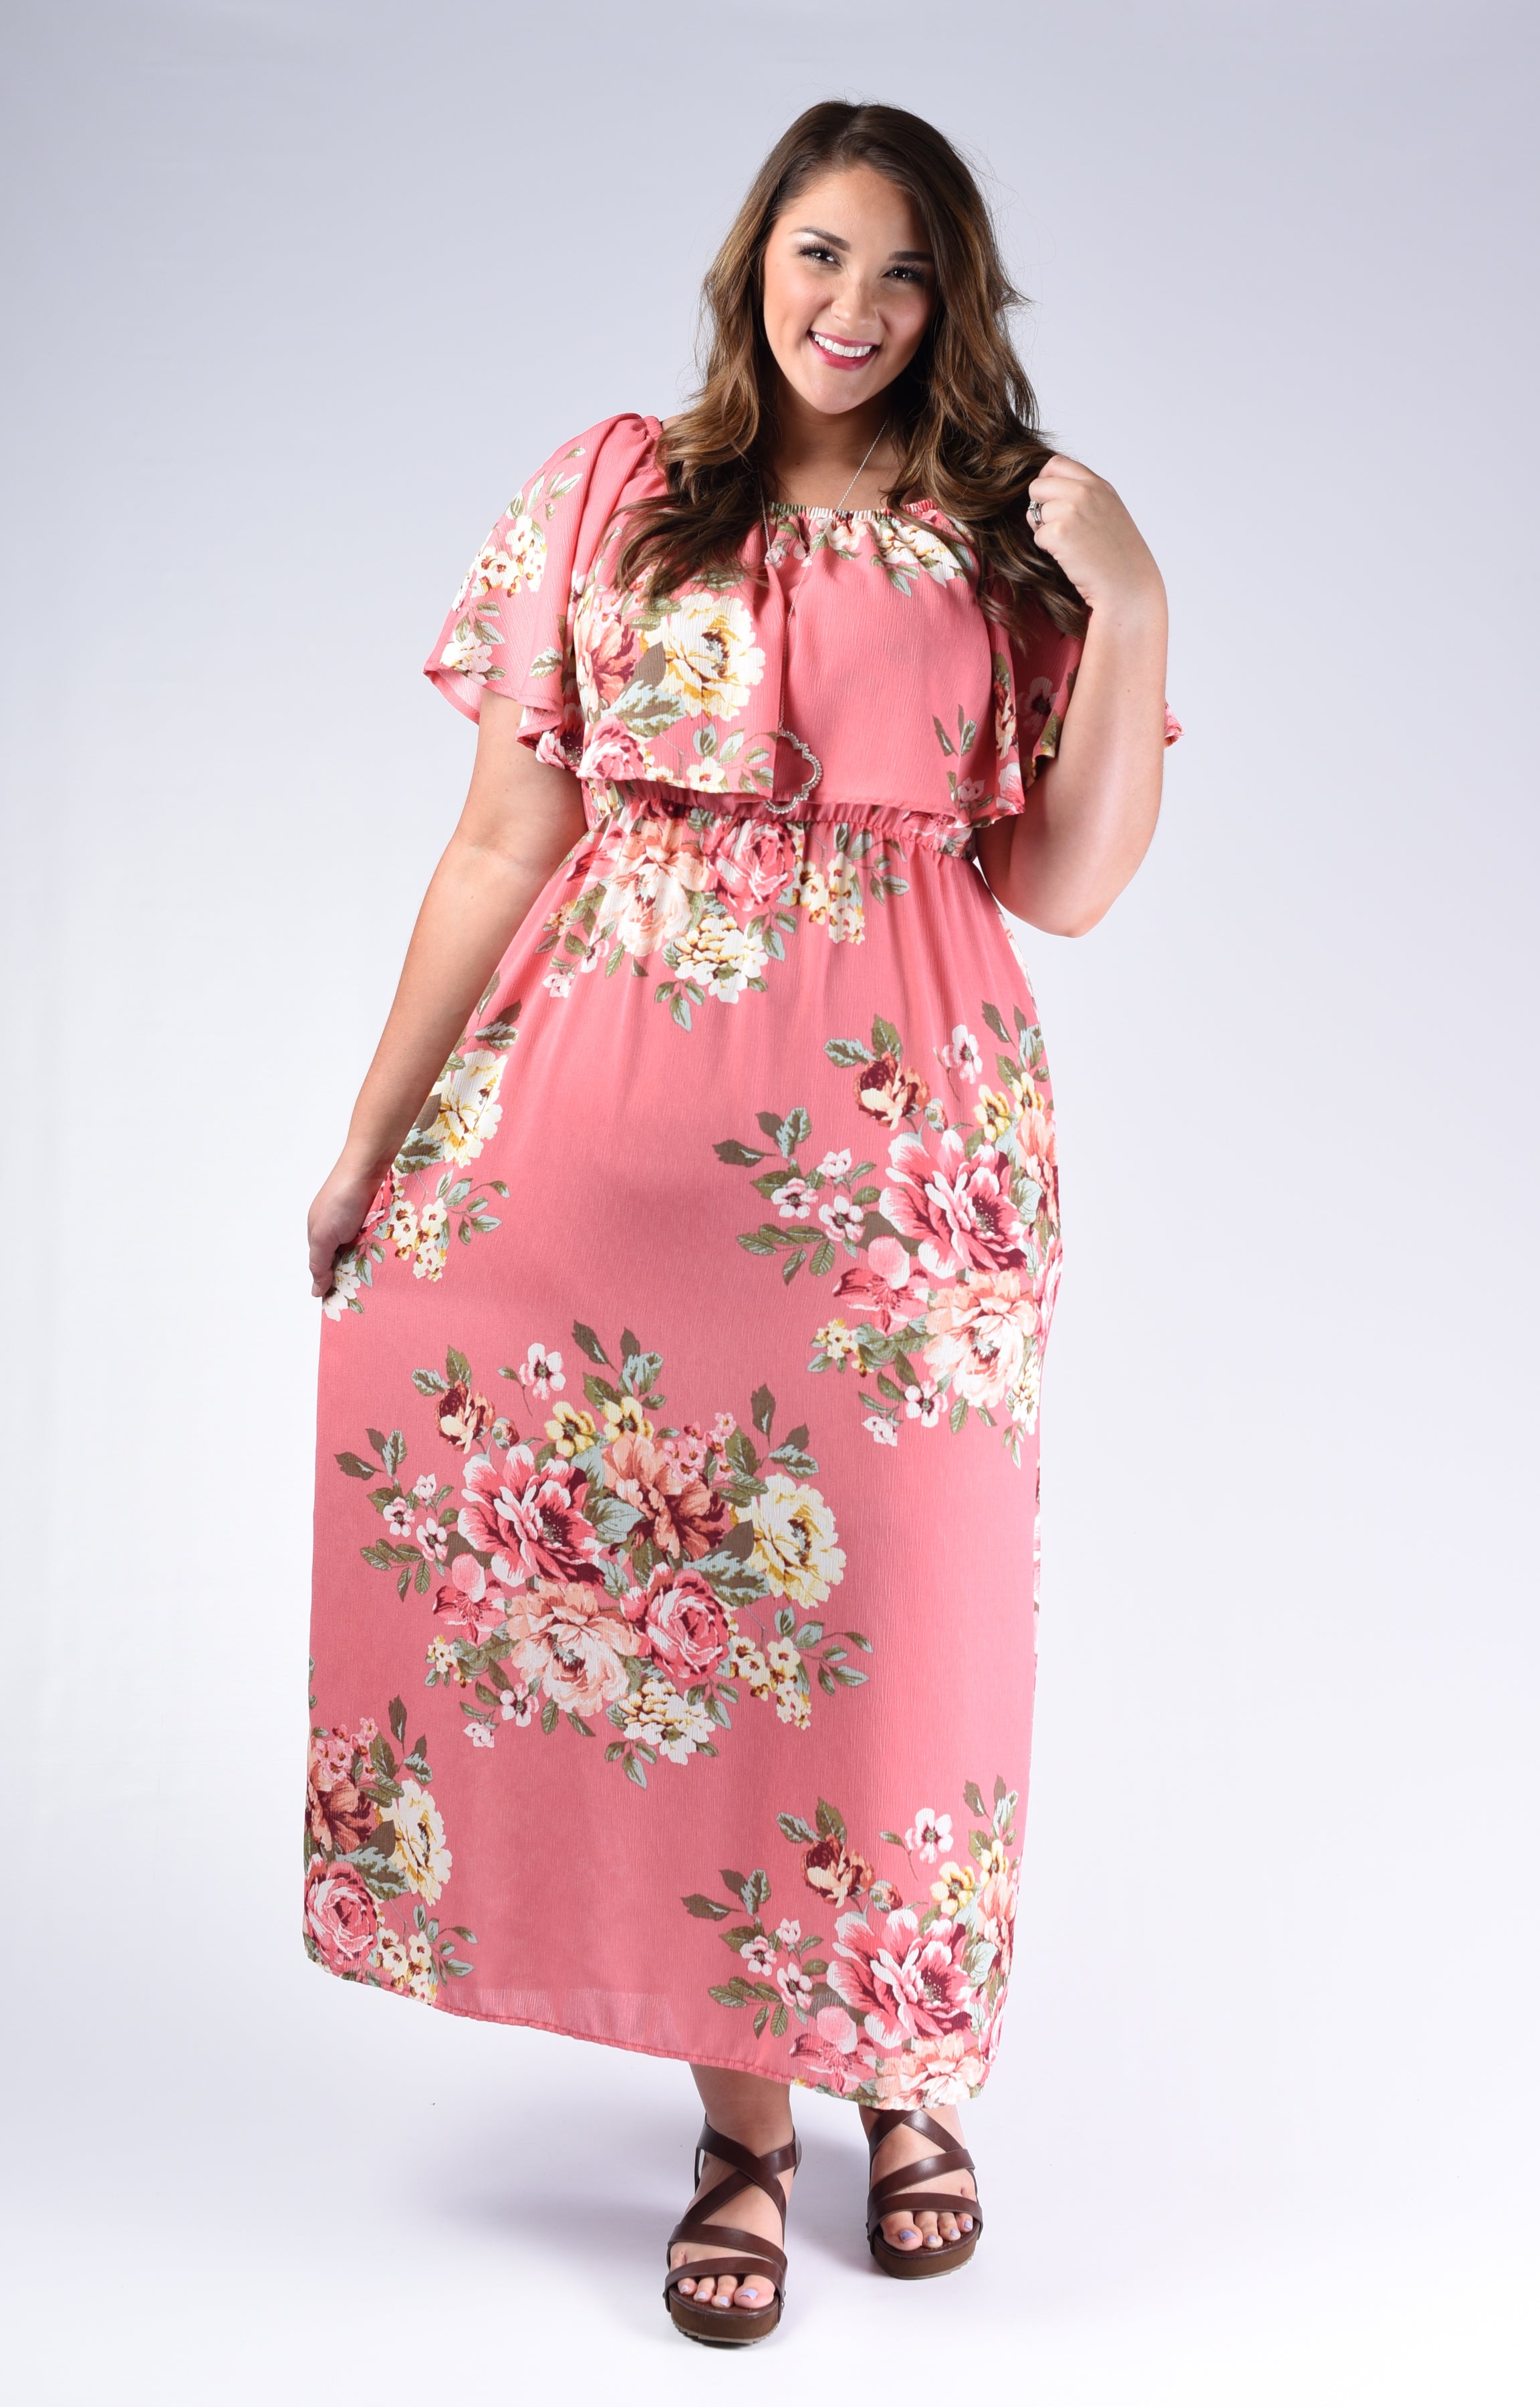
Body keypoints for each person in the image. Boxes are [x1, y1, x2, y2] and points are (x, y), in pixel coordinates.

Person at [304, 98, 1176, 2347]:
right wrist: (372, 1137)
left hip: (904, 1196)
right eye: (816, 254)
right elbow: (502, 844)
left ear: (953, 299)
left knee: (895, 1625)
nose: (850, 308)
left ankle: (905, 2068)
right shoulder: (616, 491)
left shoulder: (1010, 537)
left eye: (900, 270)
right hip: (597, 1171)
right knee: (692, 1653)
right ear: (751, 261)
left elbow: (1069, 883)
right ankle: (746, 2130)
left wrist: (1138, 592)